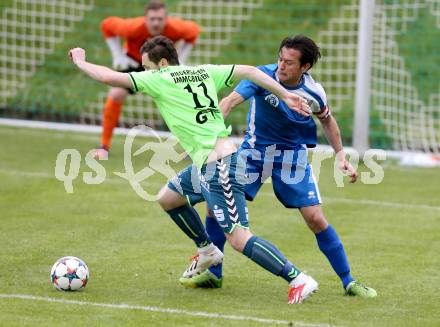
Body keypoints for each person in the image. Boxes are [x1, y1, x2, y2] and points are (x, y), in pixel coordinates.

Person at [69, 35, 319, 304]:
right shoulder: (203, 71)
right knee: (168, 197)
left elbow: (109, 77)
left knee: (238, 237)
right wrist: (285, 94)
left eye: (146, 67)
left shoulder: (160, 78)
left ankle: (297, 278)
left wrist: (82, 61)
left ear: (162, 63)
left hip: (220, 166)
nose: (144, 73)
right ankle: (207, 250)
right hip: (206, 163)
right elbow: (249, 71)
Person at [178, 35, 377, 298]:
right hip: (253, 155)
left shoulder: (313, 92)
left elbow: (327, 120)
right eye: (280, 59)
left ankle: (349, 281)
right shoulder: (262, 77)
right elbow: (228, 102)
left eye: (289, 63)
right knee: (217, 209)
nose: (281, 66)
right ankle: (213, 274)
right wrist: (204, 138)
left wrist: (340, 155)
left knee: (316, 219)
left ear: (305, 67)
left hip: (291, 159)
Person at [95, 0, 201, 159]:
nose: (156, 23)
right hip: (134, 62)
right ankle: (104, 146)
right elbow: (106, 25)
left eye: (160, 19)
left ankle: (193, 147)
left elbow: (194, 32)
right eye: (152, 19)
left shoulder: (176, 28)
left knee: (183, 99)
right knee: (116, 94)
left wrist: (179, 61)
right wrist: (117, 55)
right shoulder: (132, 27)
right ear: (145, 19)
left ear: (166, 19)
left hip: (162, 66)